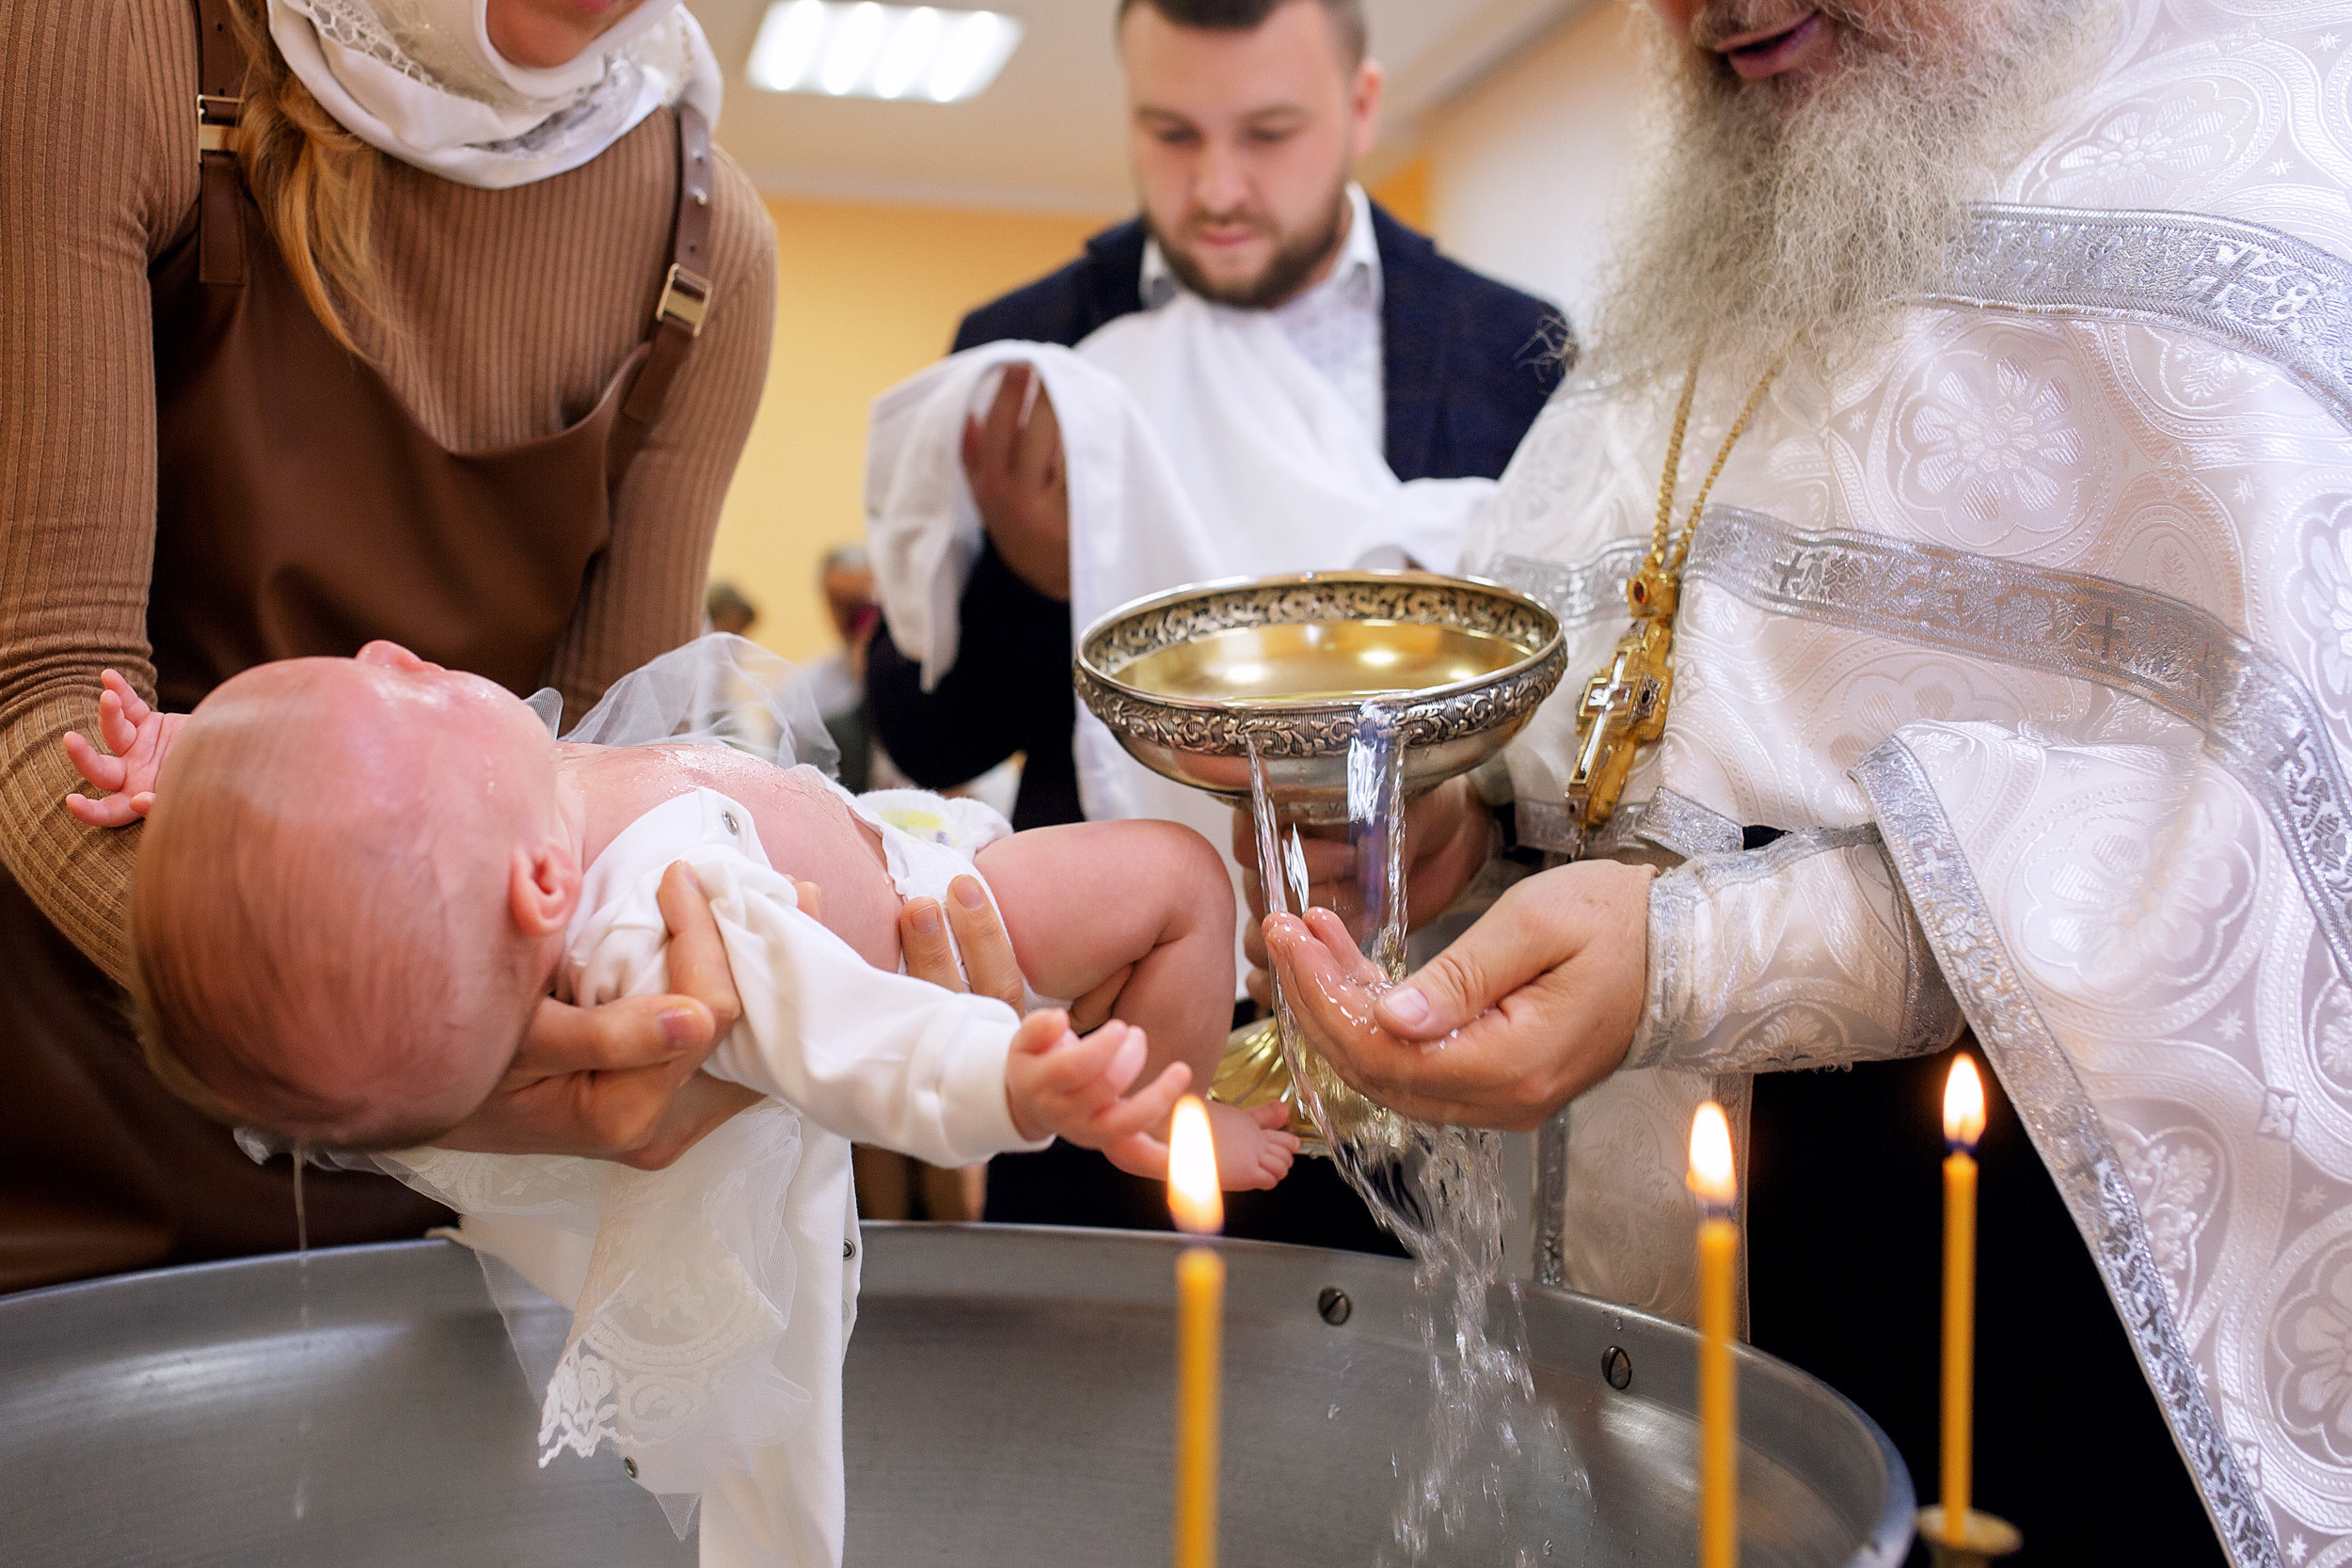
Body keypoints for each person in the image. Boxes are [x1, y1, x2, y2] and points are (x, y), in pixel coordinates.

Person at [1252, 0, 2352, 1561]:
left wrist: (1705, 956)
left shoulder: (2274, 169)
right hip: (1611, 1300)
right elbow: (1620, 688)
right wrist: (1470, 818)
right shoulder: (1732, 226)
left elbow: (2276, 835)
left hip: (1985, 1267)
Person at [76, 638, 1290, 1567]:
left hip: (872, 835)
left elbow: (299, 821)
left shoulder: (474, 835)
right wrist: (1004, 1078)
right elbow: (850, 1034)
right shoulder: (657, 920)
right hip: (934, 906)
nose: (394, 654)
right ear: (541, 887)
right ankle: (1166, 1117)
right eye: (417, 696)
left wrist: (190, 753)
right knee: (1180, 880)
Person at [0, 0, 782, 1293]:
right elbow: (43, 698)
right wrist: (448, 1060)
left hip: (452, 1206)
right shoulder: (118, 38)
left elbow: (621, 792)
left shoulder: (706, 254)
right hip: (75, 1149)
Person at [864, 0, 1566, 1254]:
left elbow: (1567, 713)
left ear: (1361, 107)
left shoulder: (1513, 349)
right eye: (1173, 134)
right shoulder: (1032, 349)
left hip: (1429, 1052)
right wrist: (1038, 578)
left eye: (1269, 134)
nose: (1219, 189)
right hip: (1109, 1069)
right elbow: (923, 730)